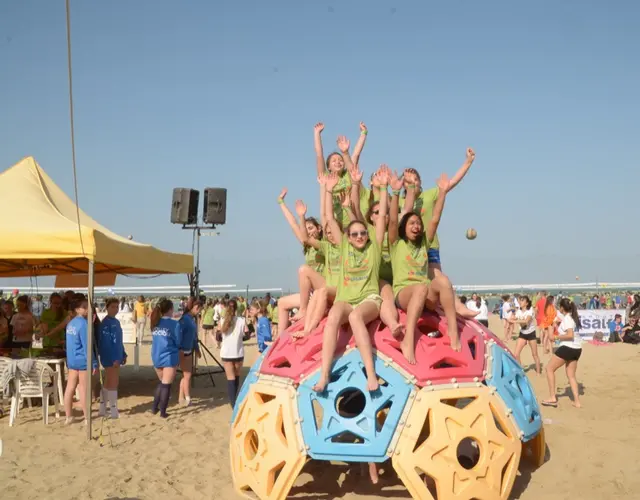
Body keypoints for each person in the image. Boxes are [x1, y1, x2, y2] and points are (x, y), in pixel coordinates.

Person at [313, 167, 387, 393]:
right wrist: (327, 191)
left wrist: (383, 188)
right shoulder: (344, 246)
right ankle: (324, 374)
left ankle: (371, 375)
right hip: (346, 299)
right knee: (334, 315)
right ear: (348, 237)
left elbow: (382, 217)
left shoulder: (373, 246)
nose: (359, 237)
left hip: (369, 299)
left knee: (355, 317)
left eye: (362, 233)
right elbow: (327, 218)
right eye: (354, 234)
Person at [388, 170, 460, 362]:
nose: (416, 226)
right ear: (404, 227)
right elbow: (394, 220)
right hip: (403, 292)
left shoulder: (423, 243)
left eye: (418, 223)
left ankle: (453, 331)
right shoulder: (396, 243)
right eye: (411, 223)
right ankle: (408, 340)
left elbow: (435, 219)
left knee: (443, 281)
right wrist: (395, 193)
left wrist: (443, 193)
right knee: (420, 287)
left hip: (424, 292)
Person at [542, 298, 582, 408]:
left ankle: (552, 397)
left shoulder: (568, 319)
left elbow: (570, 335)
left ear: (562, 308)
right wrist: (554, 324)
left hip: (568, 348)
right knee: (571, 375)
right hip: (577, 349)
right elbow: (565, 329)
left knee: (549, 369)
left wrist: (556, 337)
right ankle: (577, 401)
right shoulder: (571, 317)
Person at [64, 294, 98, 425]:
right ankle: (86, 417)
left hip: (72, 360)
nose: (87, 309)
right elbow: (87, 346)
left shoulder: (70, 324)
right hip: (83, 360)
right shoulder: (84, 324)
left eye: (88, 307)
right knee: (83, 389)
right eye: (84, 307)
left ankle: (69, 416)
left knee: (70, 388)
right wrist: (94, 362)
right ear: (77, 309)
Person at [150, 299, 182, 418]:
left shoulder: (155, 322)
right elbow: (178, 341)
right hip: (169, 356)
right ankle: (163, 412)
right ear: (170, 309)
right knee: (166, 385)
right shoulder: (175, 324)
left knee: (162, 383)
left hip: (156, 355)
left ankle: (154, 408)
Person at [98, 298, 127, 419]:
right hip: (110, 357)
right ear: (107, 307)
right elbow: (106, 344)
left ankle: (102, 407)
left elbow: (119, 341)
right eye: (113, 307)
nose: (115, 309)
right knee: (113, 383)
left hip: (117, 355)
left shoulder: (116, 322)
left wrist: (123, 354)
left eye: (117, 306)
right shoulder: (105, 323)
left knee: (108, 382)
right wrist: (114, 358)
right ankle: (113, 409)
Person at [219, 299, 246, 407]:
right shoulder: (241, 320)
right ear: (236, 308)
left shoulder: (222, 321)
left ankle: (233, 403)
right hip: (238, 352)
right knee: (237, 376)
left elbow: (218, 335)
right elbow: (247, 334)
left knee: (230, 378)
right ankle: (235, 399)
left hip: (226, 352)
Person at [178, 297, 202, 406]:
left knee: (185, 375)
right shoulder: (185, 319)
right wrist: (179, 349)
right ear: (195, 307)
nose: (199, 311)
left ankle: (181, 397)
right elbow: (179, 334)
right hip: (183, 350)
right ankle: (187, 399)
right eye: (199, 309)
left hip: (188, 349)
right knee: (187, 375)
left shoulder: (191, 319)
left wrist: (196, 349)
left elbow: (193, 337)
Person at [511, 296, 541, 375]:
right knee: (516, 354)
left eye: (522, 301)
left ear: (527, 303)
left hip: (531, 333)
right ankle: (521, 371)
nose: (520, 302)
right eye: (520, 301)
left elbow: (526, 321)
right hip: (522, 333)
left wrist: (514, 321)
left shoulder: (530, 310)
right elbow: (513, 317)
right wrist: (512, 317)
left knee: (534, 354)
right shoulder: (519, 311)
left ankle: (538, 372)